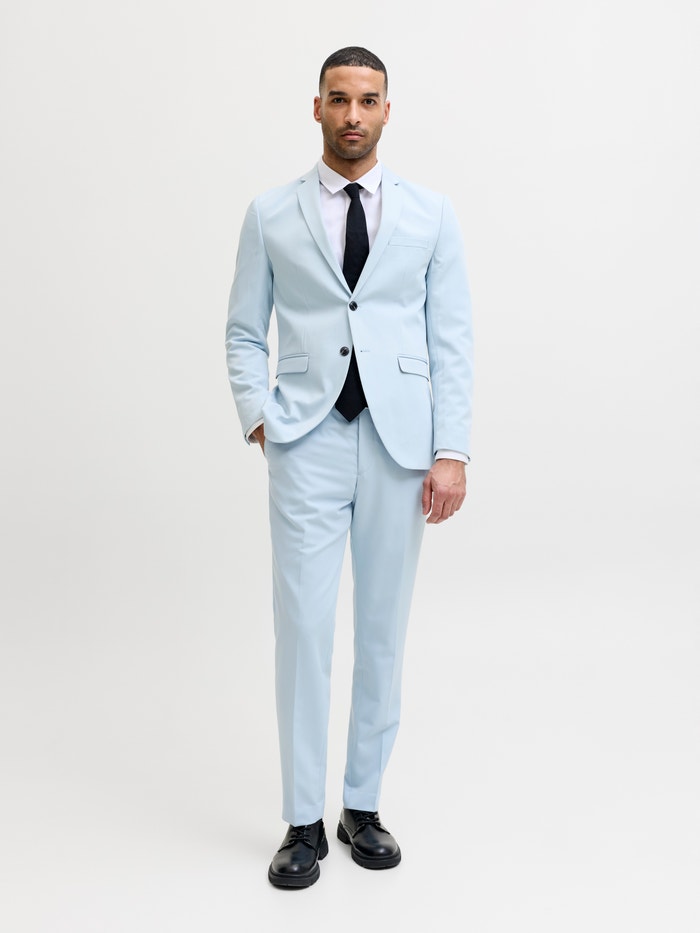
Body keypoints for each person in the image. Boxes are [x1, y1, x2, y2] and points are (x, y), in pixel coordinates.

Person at [225, 46, 473, 888]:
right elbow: (243, 329)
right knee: (302, 629)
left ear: (387, 110)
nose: (353, 114)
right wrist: (262, 417)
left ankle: (361, 805)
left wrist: (451, 449)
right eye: (339, 99)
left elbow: (451, 337)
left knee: (382, 630)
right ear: (318, 107)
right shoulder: (270, 212)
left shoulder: (431, 213)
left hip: (402, 445)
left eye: (368, 100)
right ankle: (302, 820)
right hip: (307, 440)